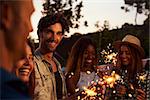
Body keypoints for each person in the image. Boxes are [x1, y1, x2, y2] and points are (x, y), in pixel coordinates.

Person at [0, 0, 34, 99]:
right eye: (28, 16)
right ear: (6, 14)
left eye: (31, 58)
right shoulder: (9, 94)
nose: (31, 28)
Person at [34, 14, 68, 100]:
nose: (54, 38)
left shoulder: (57, 64)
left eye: (58, 33)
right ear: (39, 33)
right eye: (49, 32)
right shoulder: (31, 63)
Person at [111, 34, 146, 100]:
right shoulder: (116, 74)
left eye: (128, 53)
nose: (123, 56)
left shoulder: (145, 76)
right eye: (121, 53)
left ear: (135, 55)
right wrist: (116, 94)